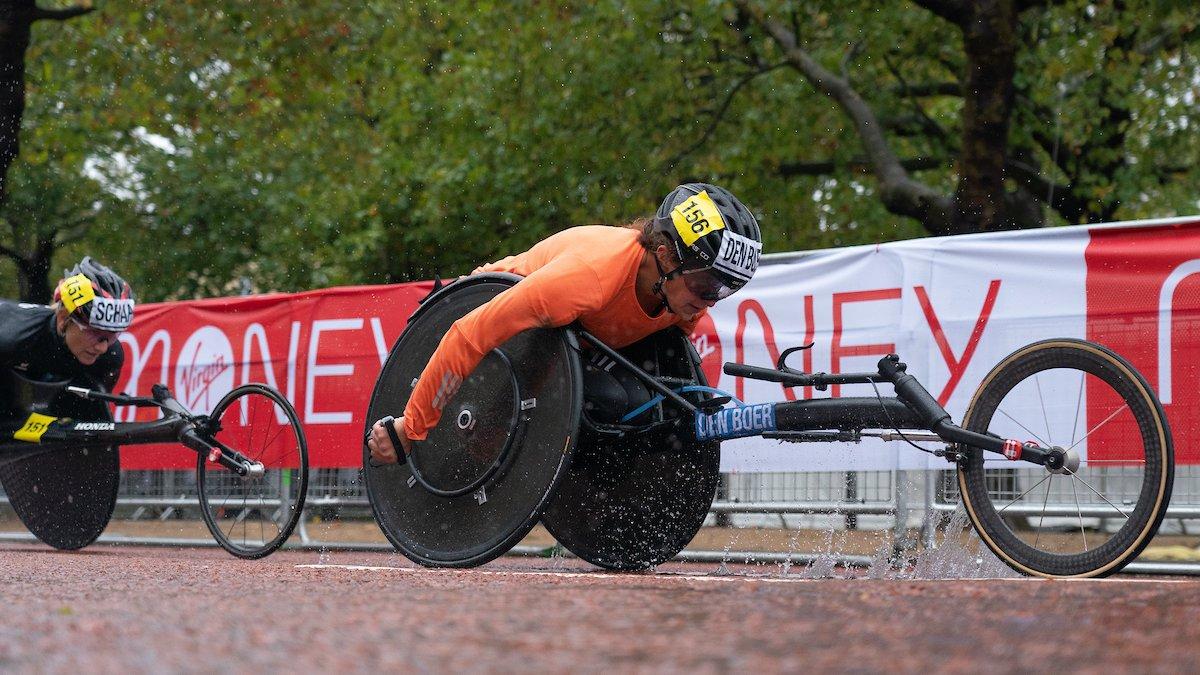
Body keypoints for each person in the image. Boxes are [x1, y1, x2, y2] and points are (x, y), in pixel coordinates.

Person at [367, 183, 762, 464]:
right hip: (499, 316)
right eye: (706, 285)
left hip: (569, 345)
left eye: (725, 290)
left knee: (651, 414)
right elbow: (467, 335)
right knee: (608, 400)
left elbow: (680, 370)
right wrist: (409, 428)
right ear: (665, 257)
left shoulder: (684, 297)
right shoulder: (587, 279)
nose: (710, 301)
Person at [0, 257, 135, 422]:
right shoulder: (12, 337)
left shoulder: (109, 358)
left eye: (113, 335)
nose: (103, 348)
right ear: (63, 318)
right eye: (95, 332)